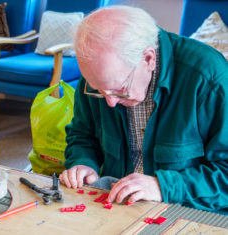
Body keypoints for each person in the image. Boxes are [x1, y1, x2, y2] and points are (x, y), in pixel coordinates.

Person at [59, 5, 228, 214]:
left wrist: (162, 186)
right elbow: (82, 134)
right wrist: (83, 163)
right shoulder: (98, 75)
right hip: (116, 204)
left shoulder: (209, 79)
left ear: (149, 59)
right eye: (99, 91)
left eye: (120, 90)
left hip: (188, 210)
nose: (109, 102)